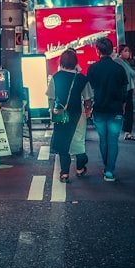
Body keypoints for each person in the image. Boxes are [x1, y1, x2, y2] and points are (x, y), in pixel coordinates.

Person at [86, 36, 129, 182]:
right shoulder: (119, 69)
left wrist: (89, 107)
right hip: (116, 109)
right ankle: (109, 170)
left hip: (99, 109)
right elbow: (125, 91)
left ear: (98, 51)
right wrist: (123, 107)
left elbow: (89, 91)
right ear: (112, 51)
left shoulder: (93, 69)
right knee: (113, 141)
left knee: (103, 140)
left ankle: (107, 166)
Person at [46, 49, 93, 183]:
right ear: (75, 62)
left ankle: (64, 173)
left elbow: (51, 98)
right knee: (78, 141)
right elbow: (88, 98)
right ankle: (80, 168)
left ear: (61, 62)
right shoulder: (82, 79)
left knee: (63, 142)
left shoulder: (55, 77)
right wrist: (88, 110)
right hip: (78, 114)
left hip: (60, 113)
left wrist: (52, 113)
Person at [113, 44, 135, 140]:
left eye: (128, 50)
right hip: (123, 90)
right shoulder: (118, 62)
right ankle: (125, 131)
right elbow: (131, 73)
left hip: (128, 89)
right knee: (125, 111)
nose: (128, 53)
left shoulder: (125, 62)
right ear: (120, 52)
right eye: (125, 50)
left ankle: (127, 131)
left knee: (128, 111)